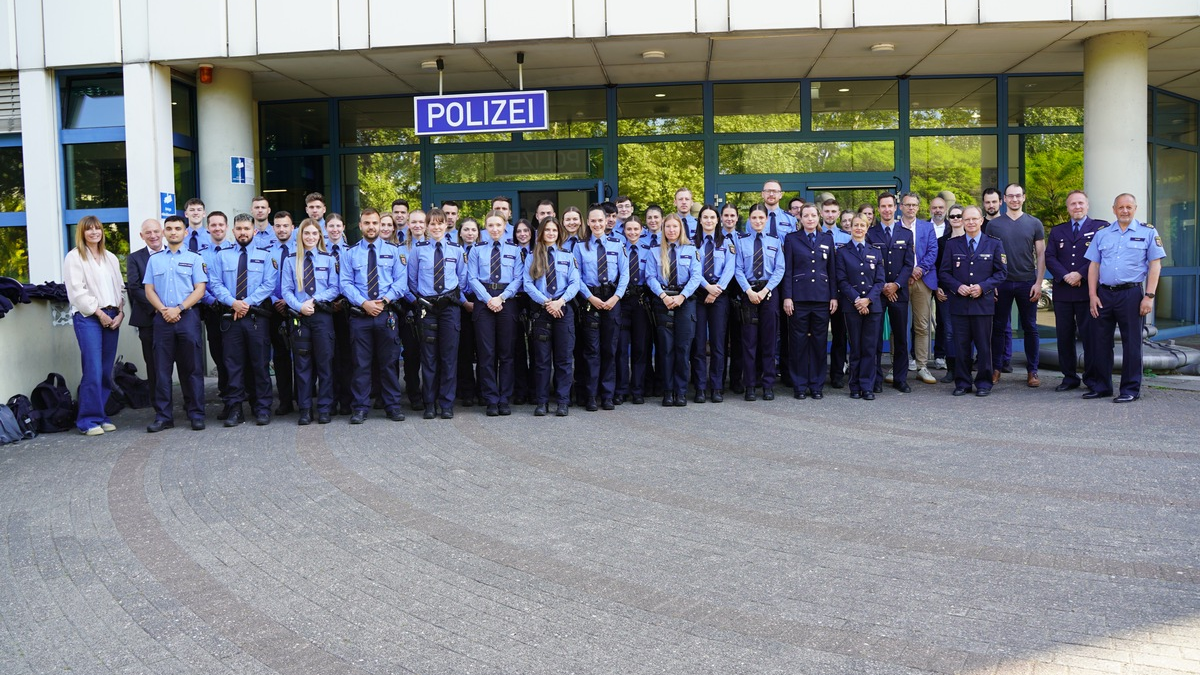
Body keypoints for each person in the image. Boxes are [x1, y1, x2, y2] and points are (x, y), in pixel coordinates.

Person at [1085, 193, 1165, 403]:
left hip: (1131, 295)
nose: (1125, 211)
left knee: (1132, 343)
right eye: (1121, 207)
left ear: (1135, 209)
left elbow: (1155, 265)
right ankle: (1101, 386)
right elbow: (1094, 266)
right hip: (1103, 294)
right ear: (1114, 209)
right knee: (1100, 342)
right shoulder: (1102, 234)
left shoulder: (1147, 232)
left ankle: (1130, 389)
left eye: (1129, 207)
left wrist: (1149, 296)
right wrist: (1092, 295)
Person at [208, 213, 278, 426]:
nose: (243, 232)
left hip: (256, 318)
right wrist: (233, 302)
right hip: (232, 318)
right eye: (239, 229)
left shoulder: (266, 256)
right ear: (233, 231)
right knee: (233, 365)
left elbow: (269, 284)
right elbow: (215, 283)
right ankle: (235, 409)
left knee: (260, 364)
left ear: (254, 231)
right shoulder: (223, 256)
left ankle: (262, 408)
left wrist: (245, 303)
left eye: (247, 229)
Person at [340, 208, 408, 424]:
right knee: (360, 364)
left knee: (389, 363)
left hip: (386, 314)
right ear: (360, 226)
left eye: (375, 223)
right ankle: (360, 407)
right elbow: (345, 283)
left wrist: (384, 301)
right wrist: (364, 303)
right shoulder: (350, 253)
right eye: (366, 223)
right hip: (360, 315)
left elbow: (401, 282)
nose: (371, 227)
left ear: (380, 225)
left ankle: (392, 406)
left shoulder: (395, 251)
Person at [143, 215, 208, 432]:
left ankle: (196, 414)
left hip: (187, 317)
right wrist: (163, 310)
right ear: (163, 232)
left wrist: (179, 309)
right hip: (162, 319)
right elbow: (149, 289)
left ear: (185, 232)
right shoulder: (155, 260)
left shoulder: (195, 259)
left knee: (193, 369)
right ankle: (163, 417)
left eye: (177, 228)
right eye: (169, 228)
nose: (173, 232)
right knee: (161, 371)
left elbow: (200, 289)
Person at [64, 215, 125, 436]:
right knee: (93, 368)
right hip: (88, 316)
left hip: (112, 315)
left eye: (97, 228)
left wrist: (120, 312)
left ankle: (101, 415)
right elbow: (76, 292)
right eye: (89, 229)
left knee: (106, 370)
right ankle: (87, 420)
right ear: (82, 232)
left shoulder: (110, 258)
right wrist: (99, 313)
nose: (94, 232)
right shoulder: (74, 257)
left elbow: (120, 288)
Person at [939, 206, 1008, 397]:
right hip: (959, 304)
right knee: (961, 346)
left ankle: (984, 383)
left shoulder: (993, 244)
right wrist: (957, 286)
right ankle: (962, 383)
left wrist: (983, 287)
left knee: (984, 346)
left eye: (974, 219)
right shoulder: (953, 244)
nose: (970, 222)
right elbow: (944, 272)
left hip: (983, 304)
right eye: (966, 219)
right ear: (961, 221)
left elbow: (1001, 273)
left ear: (981, 221)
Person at [1046, 190, 1107, 392]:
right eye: (1073, 204)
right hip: (1063, 292)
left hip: (1086, 292)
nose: (1077, 207)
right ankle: (1069, 377)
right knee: (1064, 337)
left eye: (1081, 203)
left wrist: (1079, 274)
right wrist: (1065, 276)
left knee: (1090, 337)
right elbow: (1050, 257)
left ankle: (1091, 379)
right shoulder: (1057, 231)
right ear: (1068, 208)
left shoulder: (1100, 227)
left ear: (1087, 206)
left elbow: (1099, 255)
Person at [282, 219, 340, 424]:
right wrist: (299, 307)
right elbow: (286, 290)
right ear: (300, 236)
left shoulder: (329, 259)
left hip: (322, 317)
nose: (310, 237)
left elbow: (335, 288)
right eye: (306, 233)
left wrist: (314, 301)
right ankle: (305, 409)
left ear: (319, 236)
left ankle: (324, 408)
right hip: (299, 318)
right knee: (302, 366)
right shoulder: (290, 260)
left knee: (325, 364)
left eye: (314, 234)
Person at [409, 207, 465, 419]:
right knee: (429, 357)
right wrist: (424, 300)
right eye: (432, 223)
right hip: (428, 308)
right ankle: (430, 403)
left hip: (450, 307)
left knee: (449, 357)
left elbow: (463, 278)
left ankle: (447, 403)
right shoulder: (418, 250)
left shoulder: (456, 250)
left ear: (446, 224)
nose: (436, 227)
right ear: (426, 226)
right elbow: (412, 281)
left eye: (440, 223)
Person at [988, 183, 1046, 388]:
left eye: (1018, 196)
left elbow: (1040, 255)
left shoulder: (1034, 223)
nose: (1014, 199)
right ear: (1004, 199)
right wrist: (991, 283)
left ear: (1024, 198)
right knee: (997, 328)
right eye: (1010, 196)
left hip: (1027, 282)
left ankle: (1033, 371)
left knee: (1030, 327)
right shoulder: (994, 225)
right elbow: (988, 256)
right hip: (1001, 283)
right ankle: (996, 368)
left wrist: (1039, 283)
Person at [468, 211, 524, 416]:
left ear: (504, 226)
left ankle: (504, 398)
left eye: (498, 225)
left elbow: (519, 278)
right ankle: (491, 398)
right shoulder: (477, 250)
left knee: (507, 354)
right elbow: (472, 278)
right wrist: (488, 299)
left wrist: (501, 298)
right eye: (490, 226)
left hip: (506, 301)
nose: (494, 229)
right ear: (485, 228)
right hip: (484, 300)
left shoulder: (515, 250)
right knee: (486, 353)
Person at [523, 216, 580, 416]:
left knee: (564, 359)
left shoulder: (567, 255)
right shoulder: (532, 256)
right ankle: (542, 401)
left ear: (559, 233)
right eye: (547, 230)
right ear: (541, 233)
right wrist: (547, 303)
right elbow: (527, 284)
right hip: (542, 311)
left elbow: (575, 283)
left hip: (563, 309)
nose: (550, 233)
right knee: (541, 360)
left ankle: (562, 401)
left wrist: (560, 302)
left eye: (554, 230)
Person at [574, 205, 628, 410]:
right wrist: (589, 297)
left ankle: (607, 395)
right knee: (591, 351)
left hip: (612, 299)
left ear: (607, 222)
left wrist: (616, 297)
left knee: (609, 350)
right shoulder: (580, 247)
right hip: (591, 301)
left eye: (600, 220)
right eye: (593, 221)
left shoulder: (617, 244)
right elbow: (576, 277)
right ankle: (590, 395)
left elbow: (625, 274)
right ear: (588, 223)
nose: (597, 224)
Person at [782, 203, 838, 400]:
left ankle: (816, 385)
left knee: (818, 343)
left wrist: (833, 296)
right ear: (800, 218)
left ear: (819, 216)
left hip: (822, 298)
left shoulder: (827, 239)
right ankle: (799, 385)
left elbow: (832, 270)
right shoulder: (791, 239)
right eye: (806, 215)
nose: (810, 219)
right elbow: (787, 270)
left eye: (813, 215)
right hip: (799, 299)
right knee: (798, 344)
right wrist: (787, 297)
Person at [645, 213, 701, 406]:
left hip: (685, 302)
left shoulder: (691, 249)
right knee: (666, 350)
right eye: (667, 227)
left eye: (674, 227)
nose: (671, 230)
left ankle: (681, 391)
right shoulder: (654, 252)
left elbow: (696, 276)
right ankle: (668, 392)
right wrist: (664, 296)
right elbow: (650, 277)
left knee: (682, 349)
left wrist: (681, 296)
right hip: (663, 302)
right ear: (663, 229)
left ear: (680, 229)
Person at [734, 203, 786, 401]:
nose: (757, 221)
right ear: (749, 220)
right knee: (749, 343)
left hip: (768, 294)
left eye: (761, 218)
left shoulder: (775, 241)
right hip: (748, 295)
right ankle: (750, 385)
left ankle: (768, 385)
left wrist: (765, 290)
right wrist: (748, 290)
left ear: (766, 220)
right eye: (754, 218)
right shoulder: (741, 242)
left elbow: (779, 269)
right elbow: (738, 269)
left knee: (769, 342)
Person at [867, 192, 914, 393]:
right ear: (879, 209)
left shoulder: (906, 233)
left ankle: (900, 378)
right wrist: (884, 286)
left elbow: (908, 264)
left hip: (899, 292)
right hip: (878, 293)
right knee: (875, 337)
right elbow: (868, 264)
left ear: (895, 208)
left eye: (890, 206)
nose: (887, 209)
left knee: (901, 338)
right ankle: (876, 379)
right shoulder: (871, 233)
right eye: (883, 206)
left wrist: (895, 285)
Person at [835, 214, 884, 400]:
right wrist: (857, 299)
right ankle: (854, 385)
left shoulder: (875, 251)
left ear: (868, 227)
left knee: (870, 348)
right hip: (852, 306)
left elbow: (880, 281)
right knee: (855, 348)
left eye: (862, 225)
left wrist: (868, 300)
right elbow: (842, 280)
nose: (858, 228)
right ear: (850, 227)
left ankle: (867, 386)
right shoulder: (842, 252)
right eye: (855, 225)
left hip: (873, 307)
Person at [690, 205, 735, 403]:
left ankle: (717, 387)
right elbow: (693, 270)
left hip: (719, 295)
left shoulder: (727, 243)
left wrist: (716, 290)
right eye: (705, 217)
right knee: (698, 343)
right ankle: (700, 387)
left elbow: (730, 269)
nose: (709, 220)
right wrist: (707, 287)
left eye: (712, 217)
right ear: (699, 220)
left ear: (718, 221)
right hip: (698, 294)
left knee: (718, 343)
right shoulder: (691, 243)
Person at [898, 192, 939, 385]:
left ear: (918, 207)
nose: (911, 208)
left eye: (914, 205)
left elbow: (933, 251)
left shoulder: (927, 227)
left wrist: (919, 270)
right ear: (901, 207)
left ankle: (922, 366)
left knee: (922, 325)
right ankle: (898, 364)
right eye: (907, 205)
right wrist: (904, 275)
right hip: (899, 282)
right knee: (898, 326)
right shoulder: (894, 228)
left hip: (922, 280)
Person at [199, 211, 234, 416]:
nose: (218, 228)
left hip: (234, 310)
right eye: (213, 225)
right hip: (213, 310)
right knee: (219, 356)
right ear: (208, 227)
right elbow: (199, 284)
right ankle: (225, 396)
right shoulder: (201, 255)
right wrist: (212, 300)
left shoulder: (235, 251)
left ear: (226, 227)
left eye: (221, 225)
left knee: (236, 356)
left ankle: (240, 397)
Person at [126, 219, 164, 402]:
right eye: (148, 232)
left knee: (183, 363)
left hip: (177, 315)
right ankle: (159, 407)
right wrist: (157, 307)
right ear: (142, 236)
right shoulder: (134, 258)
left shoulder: (175, 254)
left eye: (156, 231)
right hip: (149, 318)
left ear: (162, 232)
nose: (153, 236)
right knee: (153, 364)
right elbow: (134, 288)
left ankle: (188, 405)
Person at [615, 216, 650, 405]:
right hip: (622, 300)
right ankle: (621, 389)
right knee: (621, 348)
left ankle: (637, 389)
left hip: (641, 302)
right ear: (624, 230)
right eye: (629, 229)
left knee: (640, 348)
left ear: (641, 230)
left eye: (636, 229)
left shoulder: (648, 250)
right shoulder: (618, 249)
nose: (633, 233)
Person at [267, 211, 298, 414]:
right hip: (274, 309)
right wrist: (274, 300)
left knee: (303, 355)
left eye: (285, 226)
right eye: (277, 226)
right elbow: (261, 280)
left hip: (298, 308)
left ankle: (304, 397)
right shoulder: (266, 252)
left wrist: (290, 301)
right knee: (280, 357)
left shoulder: (301, 250)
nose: (281, 229)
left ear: (292, 227)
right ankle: (285, 401)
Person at [324, 212, 354, 415]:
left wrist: (343, 301)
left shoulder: (351, 251)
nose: (334, 229)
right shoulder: (318, 251)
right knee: (328, 356)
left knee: (346, 356)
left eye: (338, 226)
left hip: (346, 307)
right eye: (331, 226)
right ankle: (330, 399)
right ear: (325, 229)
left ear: (343, 228)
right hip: (324, 308)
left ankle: (346, 400)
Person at [820, 198, 851, 389]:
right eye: (827, 211)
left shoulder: (846, 238)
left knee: (840, 336)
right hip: (820, 293)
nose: (830, 215)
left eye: (833, 211)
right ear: (821, 213)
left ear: (838, 214)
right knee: (817, 336)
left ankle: (838, 374)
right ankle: (817, 373)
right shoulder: (814, 236)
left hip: (841, 293)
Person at [934, 205, 966, 382]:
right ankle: (951, 369)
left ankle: (964, 368)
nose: (955, 219)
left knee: (967, 332)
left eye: (959, 216)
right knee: (949, 331)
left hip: (969, 292)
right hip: (946, 293)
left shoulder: (971, 240)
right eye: (952, 216)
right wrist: (937, 286)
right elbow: (937, 268)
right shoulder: (942, 242)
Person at [399, 209, 427, 410]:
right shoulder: (400, 249)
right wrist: (415, 300)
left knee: (431, 352)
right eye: (414, 222)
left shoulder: (433, 245)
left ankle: (431, 392)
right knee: (411, 352)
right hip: (409, 305)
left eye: (421, 222)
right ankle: (414, 394)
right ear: (408, 224)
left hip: (432, 305)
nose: (417, 225)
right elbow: (401, 281)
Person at [720, 203, 745, 393]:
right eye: (726, 215)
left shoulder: (743, 239)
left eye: (732, 215)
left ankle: (736, 380)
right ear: (721, 218)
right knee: (720, 340)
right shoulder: (715, 238)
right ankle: (718, 380)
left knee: (738, 339)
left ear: (737, 218)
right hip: (719, 293)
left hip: (739, 293)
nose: (729, 218)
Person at [456, 217, 481, 405]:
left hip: (481, 301)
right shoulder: (455, 252)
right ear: (460, 233)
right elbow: (453, 281)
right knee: (464, 350)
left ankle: (482, 390)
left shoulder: (482, 251)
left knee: (482, 349)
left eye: (473, 230)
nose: (470, 233)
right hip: (460, 302)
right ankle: (466, 392)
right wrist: (464, 303)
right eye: (466, 230)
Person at [511, 219, 535, 404]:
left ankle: (534, 388)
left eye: (526, 230)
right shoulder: (511, 252)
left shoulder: (538, 252)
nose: (522, 234)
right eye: (519, 231)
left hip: (534, 299)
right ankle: (520, 389)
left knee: (535, 346)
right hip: (515, 299)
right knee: (517, 347)